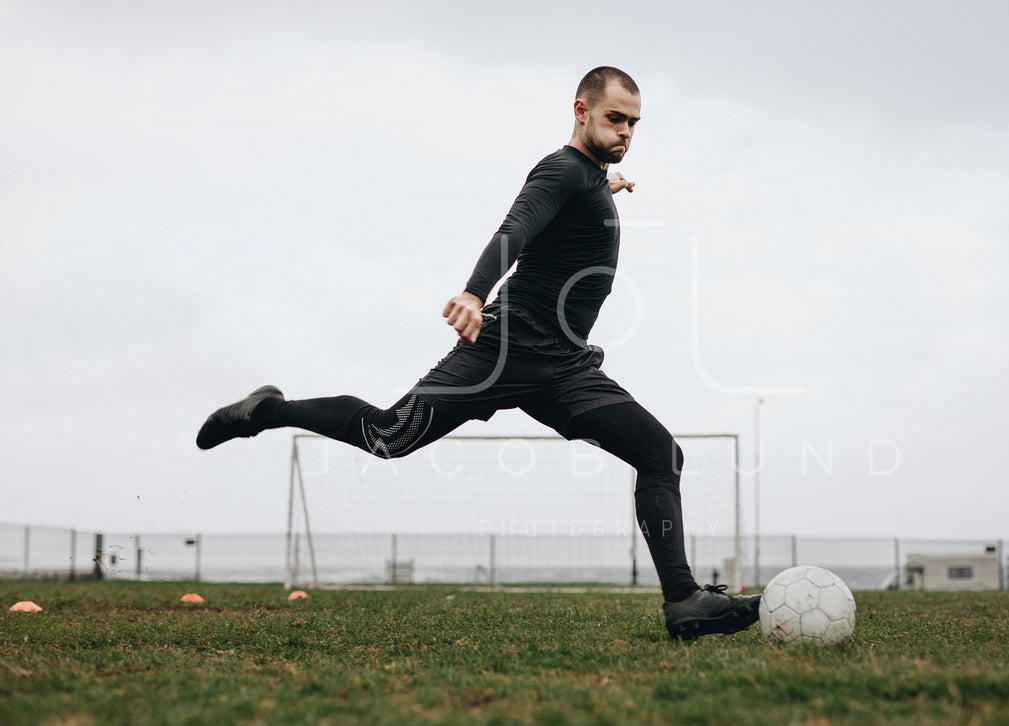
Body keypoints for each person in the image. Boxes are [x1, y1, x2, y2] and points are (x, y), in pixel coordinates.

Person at [196, 66, 760, 640]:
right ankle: (266, 412)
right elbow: (514, 230)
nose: (626, 133)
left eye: (634, 124)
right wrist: (473, 292)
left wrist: (601, 188)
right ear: (581, 111)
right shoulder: (562, 170)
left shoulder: (586, 179)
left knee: (660, 454)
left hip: (565, 368)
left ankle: (683, 601)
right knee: (388, 436)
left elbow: (566, 210)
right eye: (615, 119)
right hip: (503, 352)